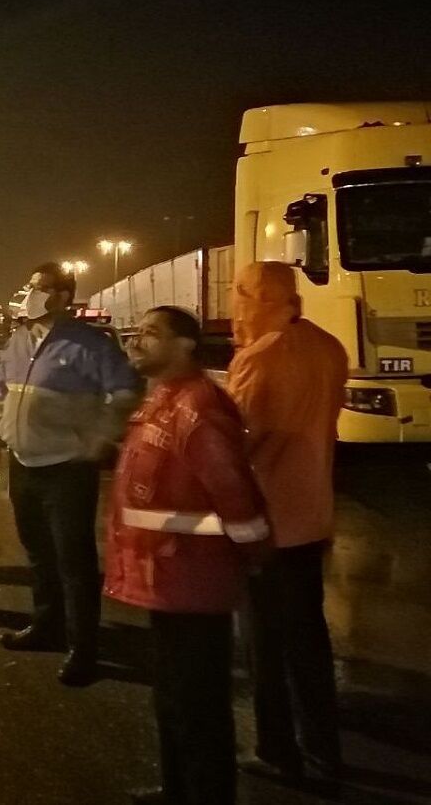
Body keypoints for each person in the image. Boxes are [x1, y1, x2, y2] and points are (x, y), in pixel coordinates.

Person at [105, 306, 270, 805]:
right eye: (137, 332)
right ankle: (179, 789)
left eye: (151, 334)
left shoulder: (198, 408)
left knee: (198, 705)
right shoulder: (163, 401)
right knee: (174, 698)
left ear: (186, 346)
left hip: (195, 580)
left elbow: (235, 495)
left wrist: (256, 559)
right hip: (167, 579)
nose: (137, 341)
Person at [0, 263, 140, 686]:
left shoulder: (90, 343)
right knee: (37, 552)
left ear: (64, 296)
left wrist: (102, 437)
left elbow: (125, 393)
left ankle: (83, 647)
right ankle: (46, 626)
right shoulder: (17, 340)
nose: (32, 294)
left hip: (67, 467)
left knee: (75, 562)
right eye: (30, 286)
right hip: (24, 464)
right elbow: (1, 393)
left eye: (42, 288)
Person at [226, 261, 349, 784]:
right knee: (308, 641)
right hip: (313, 517)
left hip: (268, 523)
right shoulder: (327, 347)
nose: (235, 308)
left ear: (256, 299)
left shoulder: (259, 358)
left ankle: (278, 750)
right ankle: (324, 753)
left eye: (240, 296)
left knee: (265, 646)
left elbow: (239, 439)